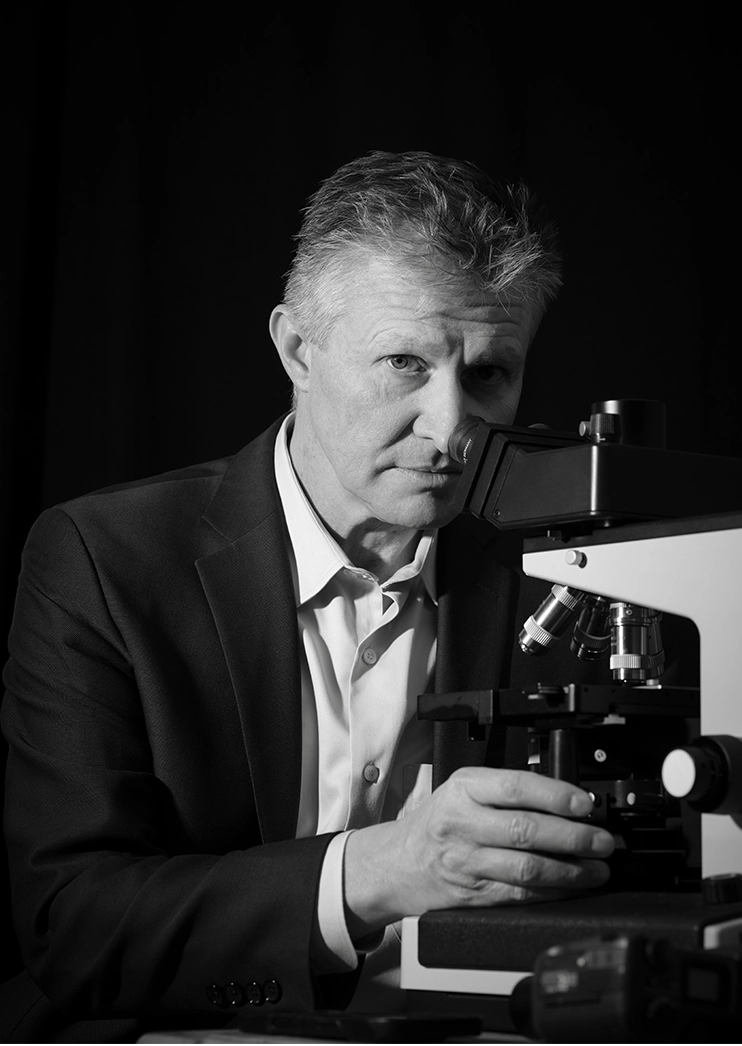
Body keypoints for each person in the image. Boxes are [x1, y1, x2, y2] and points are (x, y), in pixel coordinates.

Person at [1, 150, 615, 1042]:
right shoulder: (104, 559)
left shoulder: (564, 568)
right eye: (405, 362)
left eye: (487, 374)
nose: (452, 429)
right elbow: (75, 925)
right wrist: (377, 871)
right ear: (297, 346)